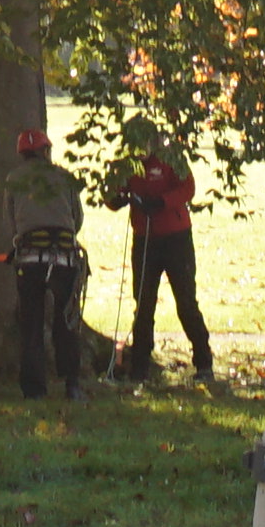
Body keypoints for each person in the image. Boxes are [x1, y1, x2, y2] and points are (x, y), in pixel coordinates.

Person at [4, 128, 89, 401]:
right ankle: (72, 385)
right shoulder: (64, 177)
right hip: (64, 257)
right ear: (46, 151)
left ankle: (34, 389)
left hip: (29, 259)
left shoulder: (14, 180)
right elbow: (77, 219)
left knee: (31, 324)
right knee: (66, 321)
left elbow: (11, 222)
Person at [117, 146, 209, 382]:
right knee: (143, 304)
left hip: (176, 238)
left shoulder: (172, 157)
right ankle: (140, 366)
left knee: (186, 301)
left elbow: (188, 188)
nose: (140, 150)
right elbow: (114, 196)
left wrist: (161, 202)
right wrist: (117, 196)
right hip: (144, 239)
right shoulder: (127, 165)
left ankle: (204, 363)